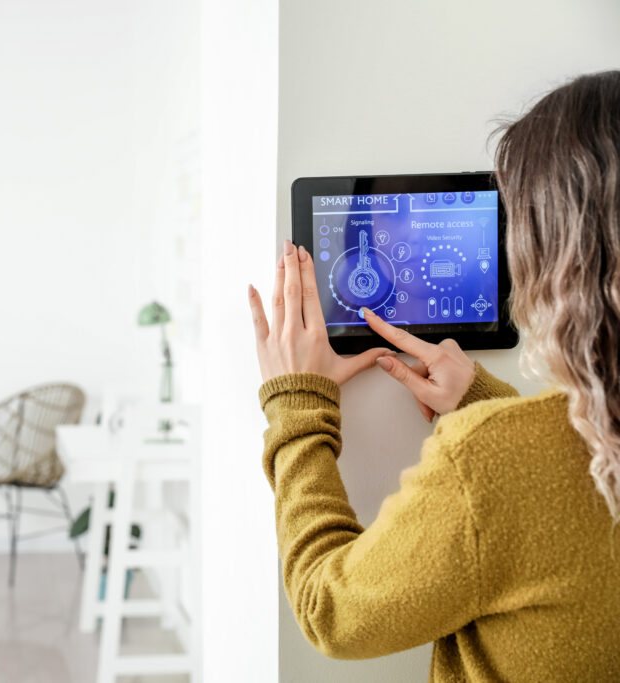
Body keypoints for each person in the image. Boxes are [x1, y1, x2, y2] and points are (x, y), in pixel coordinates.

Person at [247, 70, 620, 681]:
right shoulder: (509, 448)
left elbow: (331, 612)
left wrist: (296, 407)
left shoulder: (488, 463)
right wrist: (482, 400)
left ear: (555, 259)